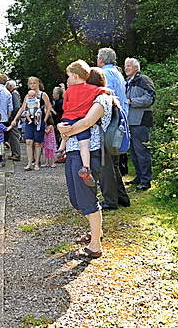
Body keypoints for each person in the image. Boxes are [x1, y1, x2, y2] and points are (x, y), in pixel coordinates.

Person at [57, 69, 113, 259]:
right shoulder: (87, 99)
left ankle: (95, 245)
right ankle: (96, 232)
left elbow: (87, 122)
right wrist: (61, 129)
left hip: (89, 153)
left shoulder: (102, 99)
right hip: (74, 151)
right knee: (77, 199)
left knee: (87, 199)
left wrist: (64, 129)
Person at [56, 60, 105, 187]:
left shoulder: (69, 90)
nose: (68, 79)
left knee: (65, 134)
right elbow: (100, 91)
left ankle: (61, 150)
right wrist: (108, 91)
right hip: (80, 120)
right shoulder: (91, 89)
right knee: (84, 145)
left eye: (69, 76)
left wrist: (67, 116)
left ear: (75, 76)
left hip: (68, 118)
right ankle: (85, 167)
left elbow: (65, 106)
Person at [96, 48, 131, 210]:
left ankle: (110, 201)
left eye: (98, 57)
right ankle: (122, 198)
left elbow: (106, 98)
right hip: (120, 121)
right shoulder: (118, 74)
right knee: (114, 164)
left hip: (109, 123)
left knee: (105, 164)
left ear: (102, 59)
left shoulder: (106, 74)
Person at [124, 58, 156, 191]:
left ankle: (146, 180)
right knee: (134, 151)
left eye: (129, 66)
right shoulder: (128, 83)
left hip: (141, 121)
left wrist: (132, 101)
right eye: (125, 66)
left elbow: (150, 98)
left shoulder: (144, 80)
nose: (126, 68)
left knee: (142, 151)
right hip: (131, 122)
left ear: (136, 68)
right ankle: (139, 177)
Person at [10, 76, 51, 171]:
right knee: (28, 141)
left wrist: (44, 120)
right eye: (31, 83)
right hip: (30, 120)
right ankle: (29, 162)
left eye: (34, 83)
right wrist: (15, 119)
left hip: (39, 120)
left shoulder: (42, 95)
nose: (32, 85)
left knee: (37, 143)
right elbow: (22, 108)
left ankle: (36, 163)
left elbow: (48, 107)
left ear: (38, 84)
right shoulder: (27, 96)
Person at [5, 80, 21, 161]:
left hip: (13, 118)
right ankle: (14, 153)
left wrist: (12, 116)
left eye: (7, 85)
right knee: (12, 135)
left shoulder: (14, 93)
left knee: (14, 135)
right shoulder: (14, 93)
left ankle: (16, 154)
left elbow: (17, 106)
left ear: (10, 86)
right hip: (14, 117)